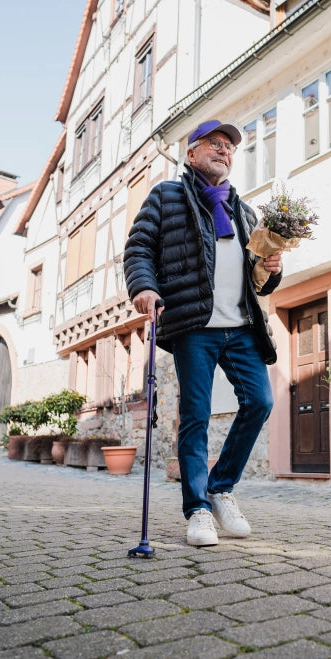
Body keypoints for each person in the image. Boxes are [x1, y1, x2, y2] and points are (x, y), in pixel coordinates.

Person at [123, 119, 283, 547]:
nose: (224, 151)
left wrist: (271, 271)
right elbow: (139, 247)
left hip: (241, 327)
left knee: (260, 401)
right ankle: (196, 511)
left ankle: (220, 489)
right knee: (195, 416)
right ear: (191, 154)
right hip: (195, 325)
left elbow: (256, 279)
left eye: (229, 147)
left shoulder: (243, 211)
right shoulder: (167, 196)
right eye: (214, 144)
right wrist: (144, 287)